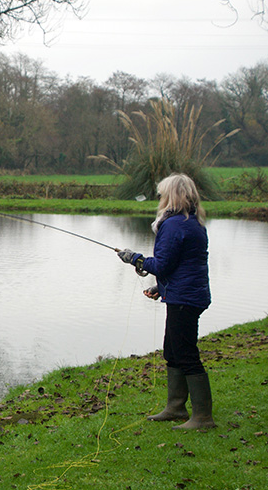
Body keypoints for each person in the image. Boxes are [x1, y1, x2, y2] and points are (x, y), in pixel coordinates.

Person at [117, 173, 215, 430]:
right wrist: (161, 287)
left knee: (185, 353)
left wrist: (135, 259)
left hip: (185, 298)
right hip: (186, 294)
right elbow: (182, 266)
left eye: (162, 194)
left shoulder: (173, 225)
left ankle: (203, 418)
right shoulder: (192, 223)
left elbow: (162, 264)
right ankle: (176, 407)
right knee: (172, 351)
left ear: (171, 197)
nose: (159, 198)